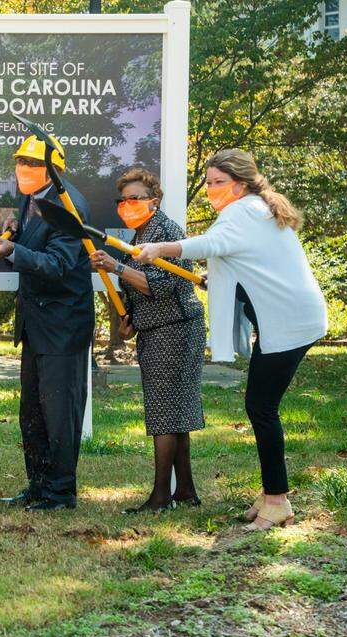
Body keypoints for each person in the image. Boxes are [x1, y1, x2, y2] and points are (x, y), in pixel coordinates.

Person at [135, 149, 327, 531]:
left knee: (261, 407)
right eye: (207, 182)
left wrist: (160, 249)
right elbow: (251, 263)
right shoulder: (257, 209)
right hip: (295, 318)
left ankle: (277, 500)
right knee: (261, 405)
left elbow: (208, 245)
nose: (210, 189)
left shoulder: (243, 211)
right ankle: (271, 493)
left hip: (289, 324)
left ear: (240, 184)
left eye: (218, 182)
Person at [0, 136, 94, 511]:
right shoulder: (33, 196)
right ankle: (38, 485)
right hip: (37, 324)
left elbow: (58, 265)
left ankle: (61, 493)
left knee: (59, 412)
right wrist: (16, 231)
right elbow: (37, 241)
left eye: (31, 164)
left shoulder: (69, 206)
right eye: (19, 162)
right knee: (32, 411)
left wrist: (14, 250)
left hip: (62, 326)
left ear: (54, 169)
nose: (22, 170)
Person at [89, 168, 205, 514]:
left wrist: (115, 267)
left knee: (164, 413)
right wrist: (132, 323)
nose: (127, 204)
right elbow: (141, 293)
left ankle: (160, 497)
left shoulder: (164, 231)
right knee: (174, 413)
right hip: (157, 329)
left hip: (177, 328)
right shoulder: (139, 232)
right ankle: (184, 491)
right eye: (122, 199)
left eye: (135, 198)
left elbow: (161, 285)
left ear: (153, 200)